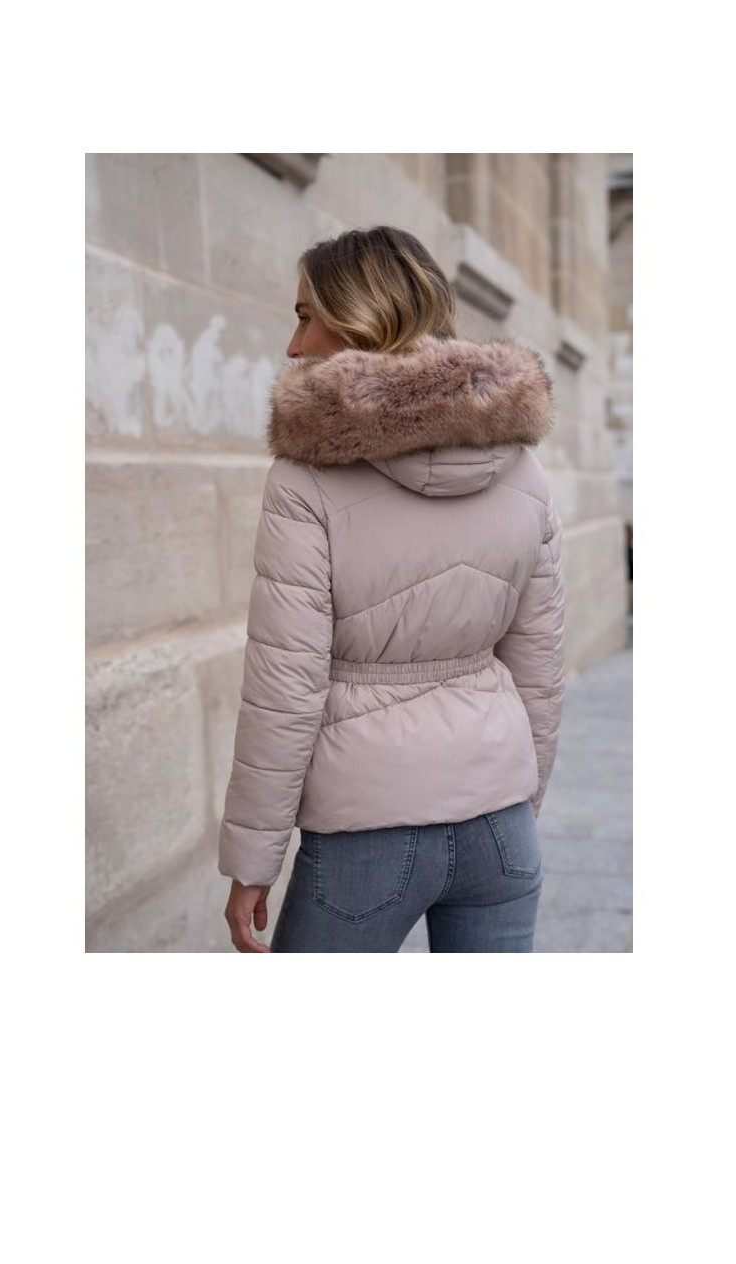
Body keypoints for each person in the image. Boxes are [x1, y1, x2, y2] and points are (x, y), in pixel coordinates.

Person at [218, 225, 565, 952]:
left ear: (359, 321)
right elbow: (539, 663)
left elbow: (286, 686)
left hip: (365, 841)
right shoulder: (524, 469)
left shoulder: (306, 478)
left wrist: (253, 859)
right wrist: (518, 799)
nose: (293, 345)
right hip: (502, 826)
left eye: (306, 317)